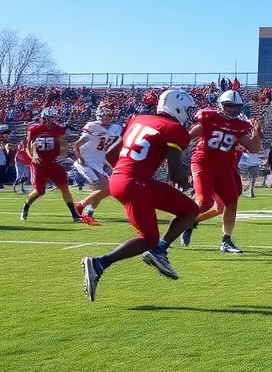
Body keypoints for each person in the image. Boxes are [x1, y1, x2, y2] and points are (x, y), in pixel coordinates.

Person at [81, 89, 202, 300]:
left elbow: (111, 154)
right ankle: (99, 263)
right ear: (177, 107)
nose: (189, 114)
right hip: (135, 183)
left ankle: (159, 252)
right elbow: (175, 172)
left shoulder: (138, 119)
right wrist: (186, 182)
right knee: (148, 238)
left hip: (127, 179)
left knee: (190, 209)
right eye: (188, 109)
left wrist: (124, 172)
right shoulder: (174, 128)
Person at [181, 90, 263, 253]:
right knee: (205, 202)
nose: (232, 109)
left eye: (235, 106)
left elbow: (254, 148)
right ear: (221, 105)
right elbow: (186, 138)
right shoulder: (208, 119)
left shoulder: (238, 126)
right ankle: (183, 222)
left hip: (224, 168)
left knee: (231, 202)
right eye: (229, 106)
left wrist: (257, 134)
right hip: (203, 164)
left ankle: (226, 240)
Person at [20, 107, 81, 222]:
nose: (51, 120)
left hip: (53, 162)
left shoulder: (58, 128)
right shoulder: (34, 129)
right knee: (40, 191)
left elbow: (63, 143)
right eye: (49, 118)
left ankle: (75, 215)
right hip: (39, 163)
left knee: (64, 186)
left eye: (53, 118)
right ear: (43, 118)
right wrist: (33, 156)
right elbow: (28, 146)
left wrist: (62, 153)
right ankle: (26, 205)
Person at [71, 105, 123, 225]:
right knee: (105, 187)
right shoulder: (93, 126)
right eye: (107, 115)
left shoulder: (115, 128)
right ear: (100, 115)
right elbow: (77, 145)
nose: (109, 118)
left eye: (111, 115)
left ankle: (88, 213)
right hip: (87, 162)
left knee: (108, 190)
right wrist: (79, 158)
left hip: (98, 163)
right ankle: (80, 205)